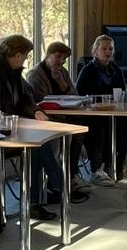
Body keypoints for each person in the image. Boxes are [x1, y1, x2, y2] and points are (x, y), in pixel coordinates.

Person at [0, 35, 86, 219]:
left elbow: (25, 99)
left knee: (37, 145)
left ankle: (45, 194)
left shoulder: (13, 74)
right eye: (24, 56)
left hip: (10, 128)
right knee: (36, 146)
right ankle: (56, 187)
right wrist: (23, 120)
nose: (25, 60)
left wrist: (36, 112)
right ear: (16, 55)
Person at [27, 41, 85, 183]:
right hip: (46, 117)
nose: (61, 61)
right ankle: (55, 179)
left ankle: (71, 173)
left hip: (65, 114)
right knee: (66, 132)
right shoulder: (35, 74)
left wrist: (62, 83)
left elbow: (74, 95)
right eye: (58, 56)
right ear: (48, 55)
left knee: (80, 129)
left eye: (64, 58)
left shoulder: (63, 72)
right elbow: (39, 101)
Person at [76, 34, 127, 184]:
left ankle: (116, 165)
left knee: (126, 124)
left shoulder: (117, 70)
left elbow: (122, 93)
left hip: (113, 111)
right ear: (95, 51)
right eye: (104, 49)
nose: (108, 52)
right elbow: (80, 95)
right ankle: (96, 169)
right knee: (99, 126)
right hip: (92, 114)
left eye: (110, 49)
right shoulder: (87, 70)